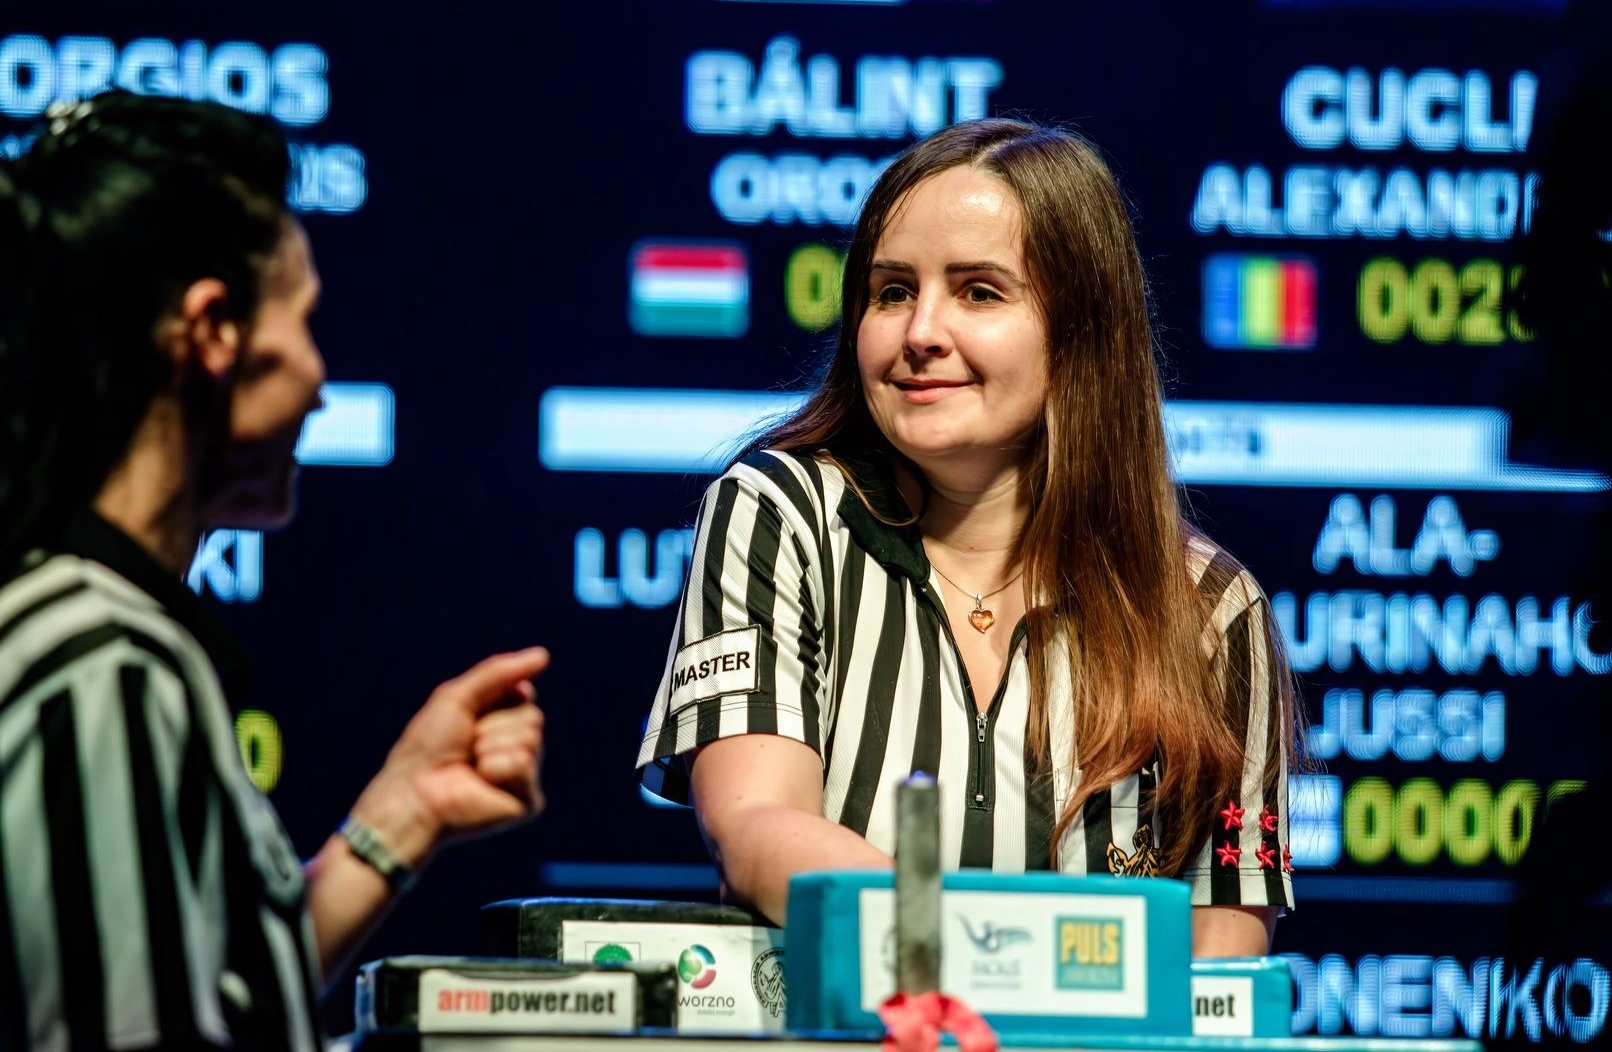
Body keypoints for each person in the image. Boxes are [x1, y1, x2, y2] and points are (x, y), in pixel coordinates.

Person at [636, 117, 1304, 957]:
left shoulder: (1213, 610)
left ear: (1080, 335)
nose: (920, 332)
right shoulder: (779, 513)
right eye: (891, 291)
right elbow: (754, 827)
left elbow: (1223, 950)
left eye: (979, 292)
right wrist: (992, 960)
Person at [0, 92, 547, 1049]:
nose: (319, 379)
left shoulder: (89, 631)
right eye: (303, 319)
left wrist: (400, 815)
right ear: (212, 332)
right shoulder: (102, 668)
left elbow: (220, 1002)